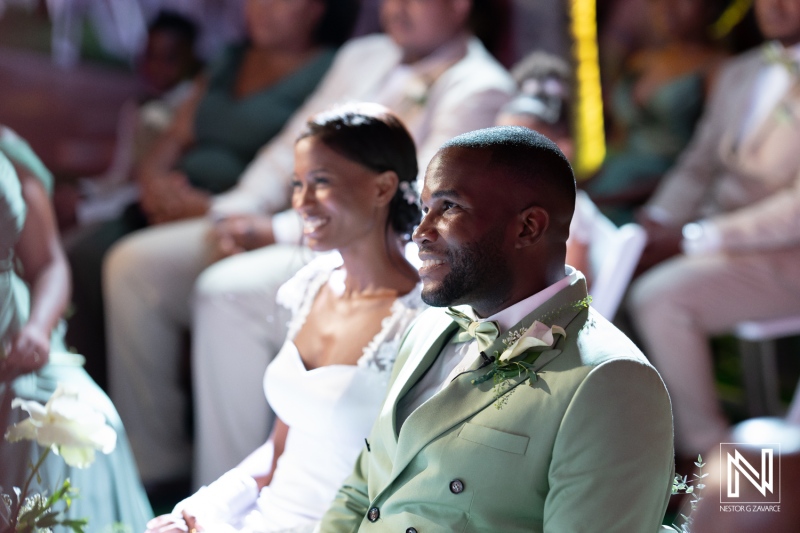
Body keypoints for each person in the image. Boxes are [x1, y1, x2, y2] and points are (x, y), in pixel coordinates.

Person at [105, 0, 514, 488]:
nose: (396, 9)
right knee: (134, 264)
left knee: (226, 292)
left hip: (373, 250)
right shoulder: (364, 54)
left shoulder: (478, 84)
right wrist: (235, 213)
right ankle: (152, 464)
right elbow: (291, 146)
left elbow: (414, 202)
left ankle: (224, 484)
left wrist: (274, 229)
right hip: (295, 219)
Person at [318, 126, 674, 532]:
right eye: (424, 209)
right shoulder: (427, 327)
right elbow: (362, 492)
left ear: (528, 228)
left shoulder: (612, 382)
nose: (420, 232)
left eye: (448, 207)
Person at [144, 104, 425, 533]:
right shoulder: (310, 286)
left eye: (321, 182)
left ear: (383, 187)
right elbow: (279, 453)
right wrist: (203, 509)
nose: (302, 203)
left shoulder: (422, 320)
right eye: (298, 184)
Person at [66, 0, 357, 382]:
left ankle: (147, 421)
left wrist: (209, 209)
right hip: (171, 200)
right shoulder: (228, 60)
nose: (263, 9)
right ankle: (86, 393)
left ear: (316, 9)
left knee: (125, 262)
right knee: (80, 253)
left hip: (237, 211)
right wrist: (154, 185)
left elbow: (294, 168)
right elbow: (174, 136)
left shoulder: (333, 70)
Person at [629, 0, 800, 460]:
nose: (774, 5)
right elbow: (699, 163)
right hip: (715, 236)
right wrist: (658, 220)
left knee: (660, 298)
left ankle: (712, 454)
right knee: (616, 268)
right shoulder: (741, 70)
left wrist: (696, 237)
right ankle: (635, 442)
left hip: (788, 256)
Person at [0, 126, 153, 532]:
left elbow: (48, 263)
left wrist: (36, 329)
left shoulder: (9, 149)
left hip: (14, 341)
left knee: (82, 423)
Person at [586, 0, 729, 224]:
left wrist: (614, 198)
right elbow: (619, 140)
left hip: (657, 196)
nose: (667, 7)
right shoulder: (641, 60)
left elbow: (707, 160)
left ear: (709, 7)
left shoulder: (720, 70)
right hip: (608, 183)